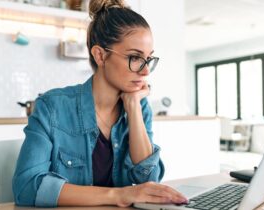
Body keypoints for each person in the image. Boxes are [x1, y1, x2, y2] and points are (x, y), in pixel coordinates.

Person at [12, 0, 188, 207]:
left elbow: (148, 181)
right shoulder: (52, 107)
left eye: (148, 59)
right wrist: (119, 195)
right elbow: (26, 187)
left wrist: (132, 107)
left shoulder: (140, 107)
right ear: (100, 55)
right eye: (135, 57)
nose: (146, 70)